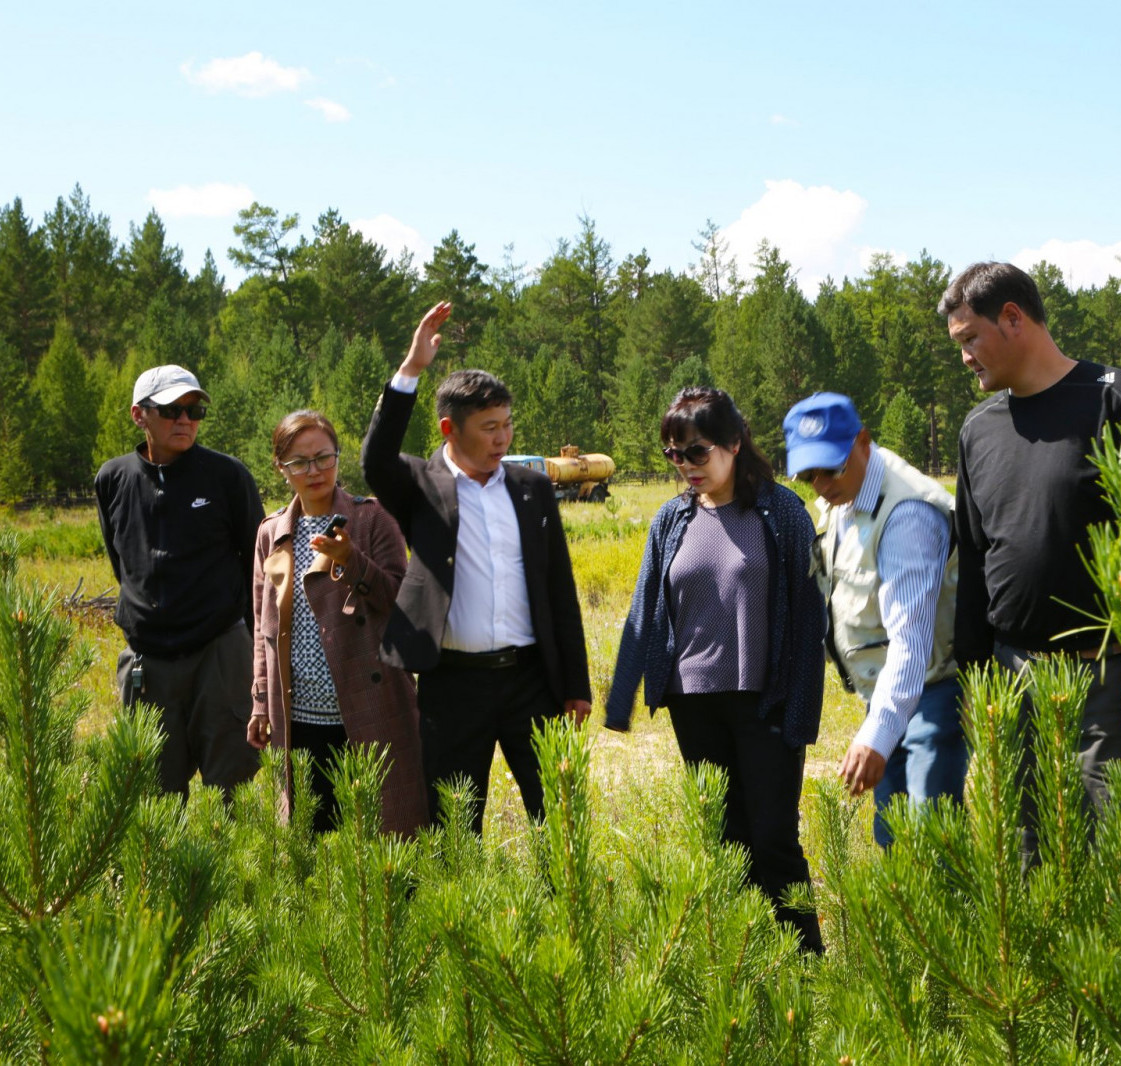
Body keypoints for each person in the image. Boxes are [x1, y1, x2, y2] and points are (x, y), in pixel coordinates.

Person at [939, 262, 1121, 853]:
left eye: (970, 339)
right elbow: (974, 557)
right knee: (1025, 858)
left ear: (1013, 318)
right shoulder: (978, 431)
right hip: (1012, 685)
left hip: (1109, 683)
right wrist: (976, 682)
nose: (964, 357)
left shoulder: (1120, 399)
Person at [606, 387, 825, 952]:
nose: (685, 467)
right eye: (673, 455)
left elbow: (807, 622)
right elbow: (644, 606)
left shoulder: (784, 514)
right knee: (725, 840)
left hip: (766, 700)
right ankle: (744, 964)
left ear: (734, 443)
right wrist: (620, 698)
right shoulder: (670, 519)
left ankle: (804, 964)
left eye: (696, 453)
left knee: (774, 835)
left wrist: (803, 711)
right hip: (694, 703)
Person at [360, 302, 592, 834]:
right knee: (452, 830)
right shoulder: (420, 488)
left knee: (560, 823)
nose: (502, 439)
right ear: (449, 429)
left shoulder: (531, 489)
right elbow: (376, 459)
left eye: (507, 425)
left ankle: (568, 916)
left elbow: (560, 589)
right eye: (489, 428)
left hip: (532, 682)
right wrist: (411, 370)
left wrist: (575, 683)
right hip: (452, 686)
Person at [783, 392, 965, 848]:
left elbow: (910, 641)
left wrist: (877, 735)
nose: (820, 483)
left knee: (931, 844)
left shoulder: (907, 514)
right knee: (894, 842)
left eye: (831, 468)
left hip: (930, 696)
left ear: (863, 441)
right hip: (890, 694)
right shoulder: (846, 495)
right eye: (807, 475)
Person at [248, 411, 429, 836]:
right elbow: (263, 630)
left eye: (324, 458)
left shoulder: (371, 520)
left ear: (338, 457)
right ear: (280, 467)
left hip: (371, 711)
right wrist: (259, 701)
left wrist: (351, 561)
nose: (314, 471)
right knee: (310, 843)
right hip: (298, 720)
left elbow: (402, 603)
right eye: (300, 462)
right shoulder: (271, 532)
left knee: (385, 838)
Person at [95, 364, 263, 800]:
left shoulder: (227, 477)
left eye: (194, 411)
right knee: (154, 793)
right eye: (172, 410)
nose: (186, 420)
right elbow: (123, 563)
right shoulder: (112, 479)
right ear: (139, 415)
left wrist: (253, 647)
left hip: (220, 652)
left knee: (233, 789)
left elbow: (258, 563)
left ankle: (236, 870)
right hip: (148, 661)